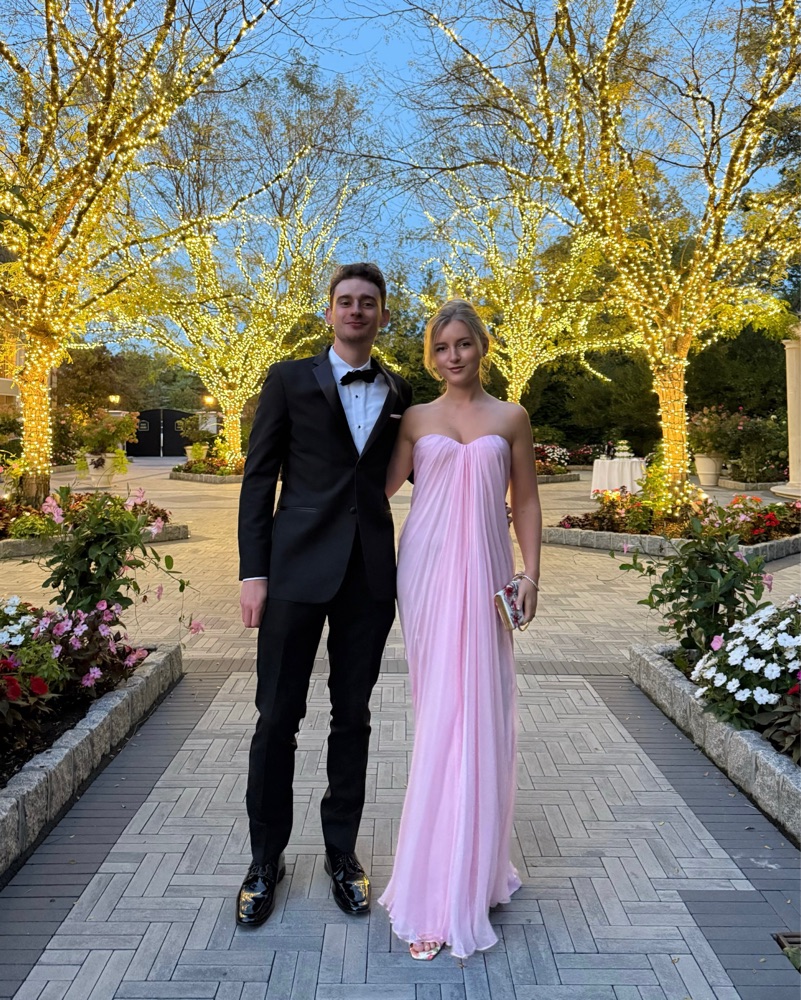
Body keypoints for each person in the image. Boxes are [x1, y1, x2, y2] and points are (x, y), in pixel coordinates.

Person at [236, 262, 412, 927]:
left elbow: (424, 469)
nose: (356, 310)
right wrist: (253, 573)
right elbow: (259, 478)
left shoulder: (400, 390)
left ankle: (342, 852)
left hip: (368, 576)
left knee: (353, 716)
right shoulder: (287, 379)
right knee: (276, 718)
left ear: (383, 315)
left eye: (369, 302)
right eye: (346, 301)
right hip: (294, 572)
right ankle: (264, 859)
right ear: (329, 311)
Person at [379, 298, 542, 961]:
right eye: (442, 347)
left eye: (463, 344)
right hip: (425, 572)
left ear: (482, 347)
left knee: (481, 714)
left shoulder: (512, 417)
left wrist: (531, 575)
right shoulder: (415, 419)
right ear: (431, 356)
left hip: (487, 576)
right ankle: (431, 888)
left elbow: (524, 498)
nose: (453, 356)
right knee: (441, 715)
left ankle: (474, 874)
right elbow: (374, 491)